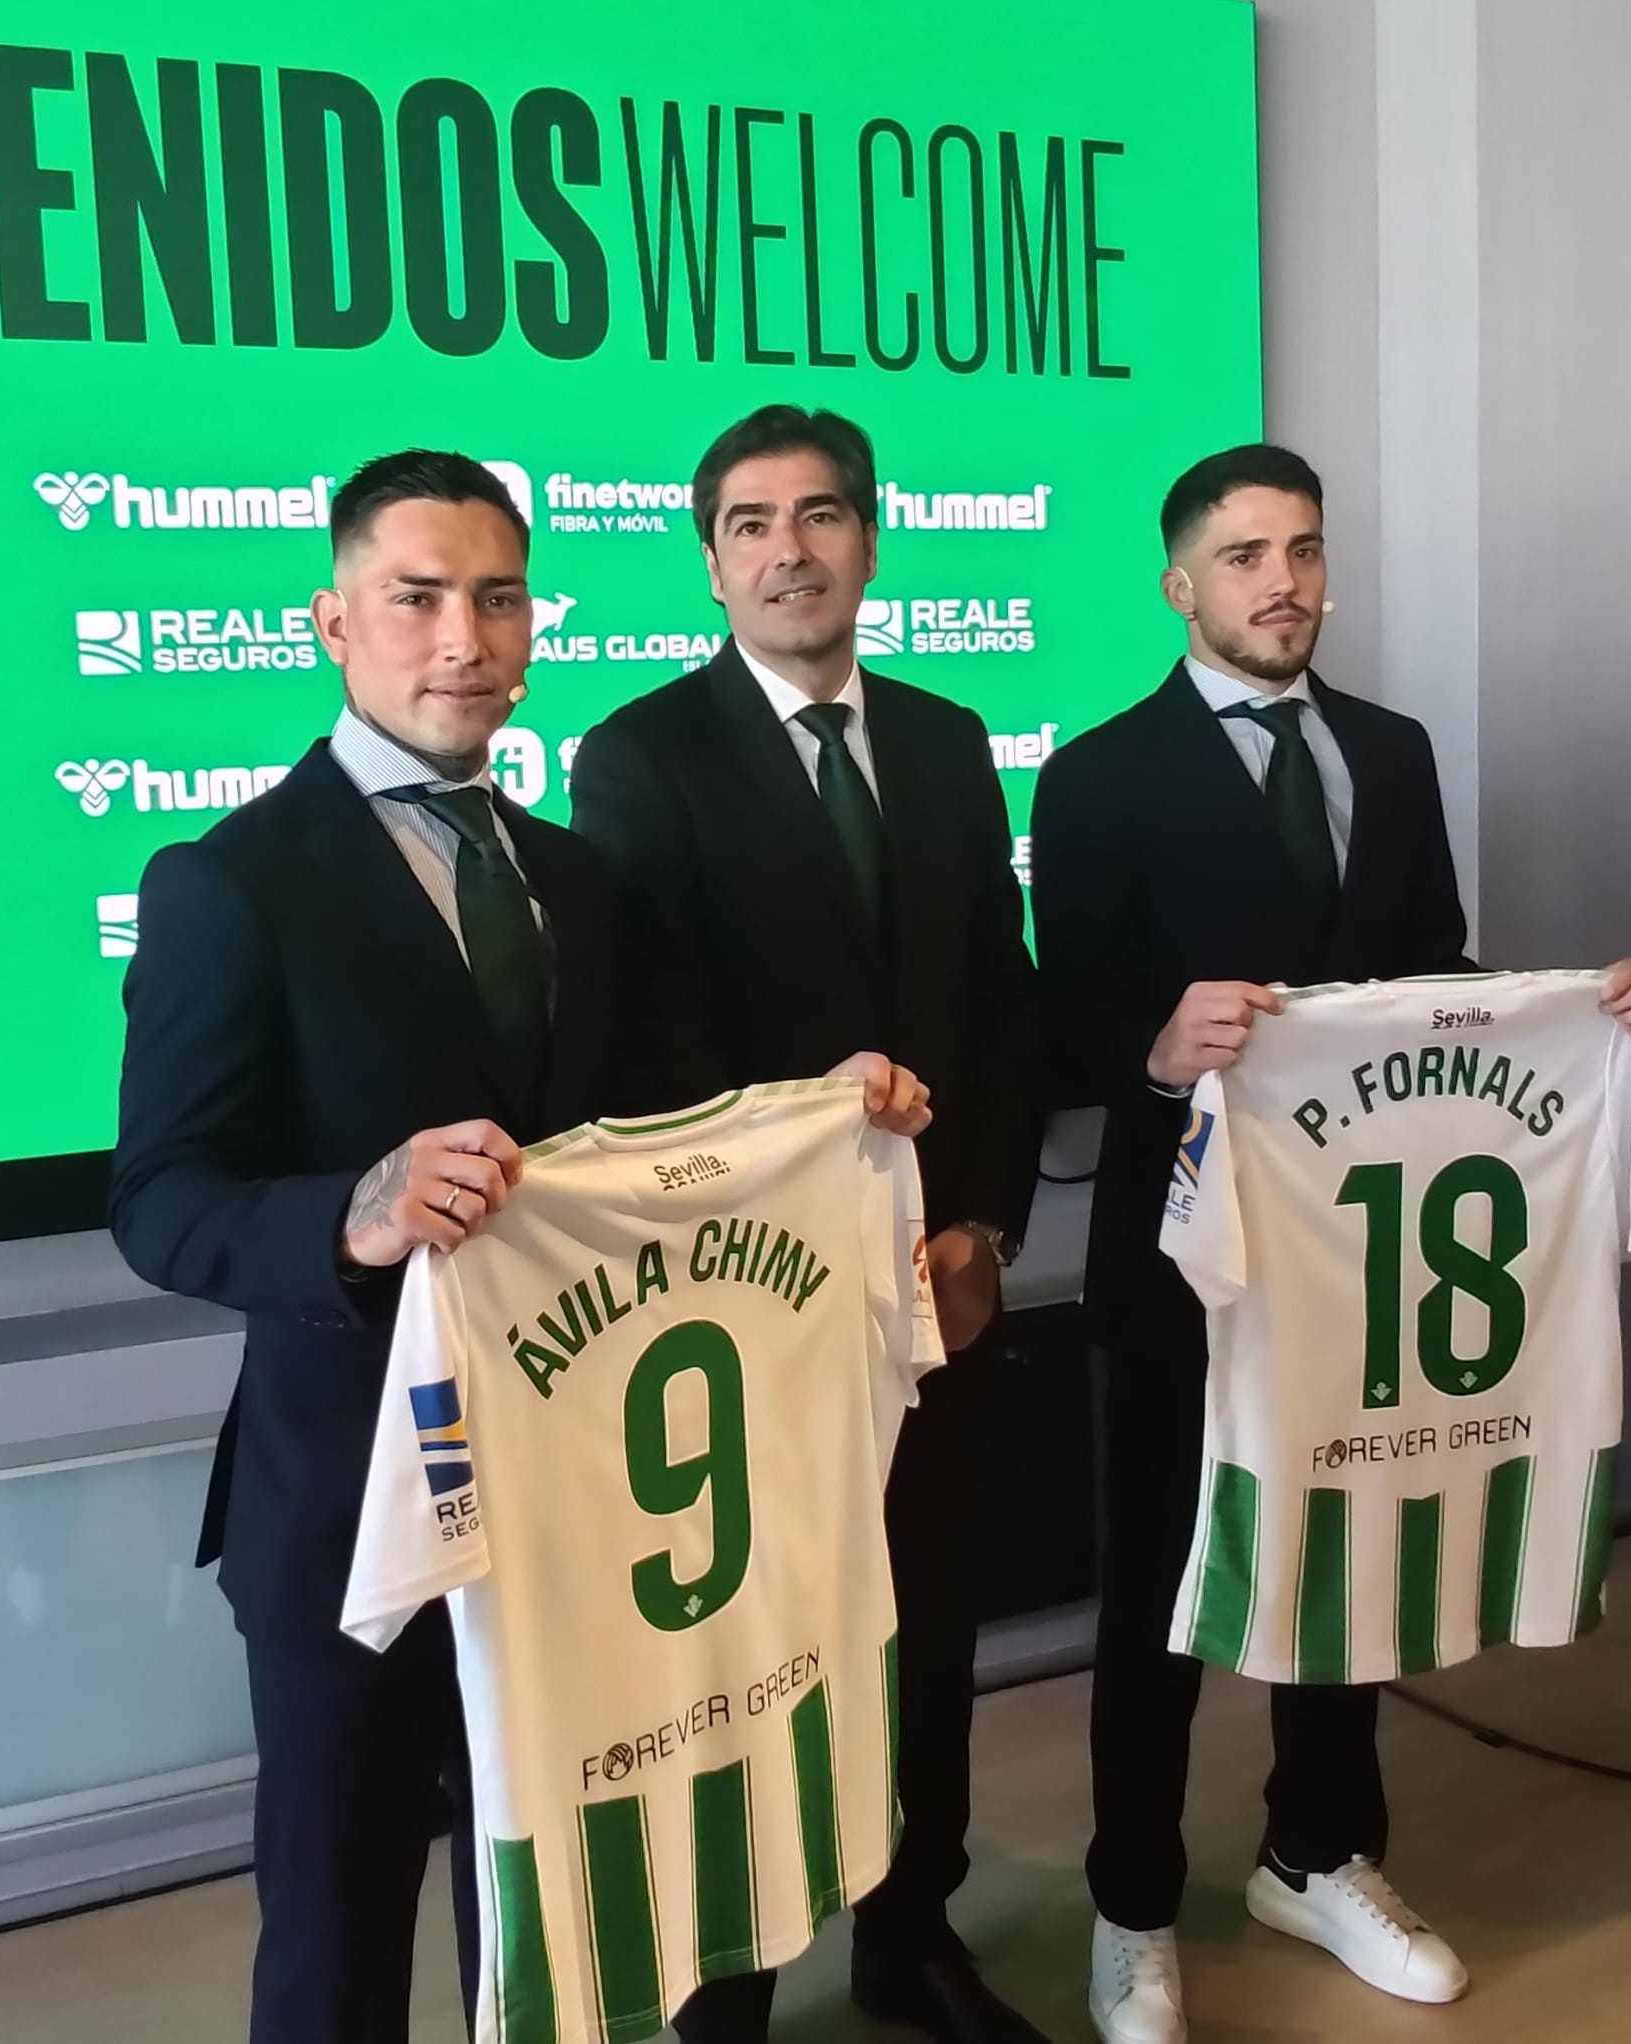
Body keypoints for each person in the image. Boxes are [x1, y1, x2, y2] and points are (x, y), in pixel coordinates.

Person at [108, 449, 929, 2044]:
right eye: (416, 599)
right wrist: (349, 1209)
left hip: (577, 1498)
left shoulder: (576, 879)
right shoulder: (229, 885)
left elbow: (666, 1150)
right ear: (333, 625)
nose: (461, 638)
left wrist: (808, 1118)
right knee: (340, 1923)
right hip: (350, 1507)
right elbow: (161, 1198)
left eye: (495, 598)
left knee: (553, 1901)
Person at [1029, 444, 1631, 2044]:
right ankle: (1132, 1905)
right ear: (1181, 583)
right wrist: (1158, 1051)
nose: (1285, 582)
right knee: (1162, 1595)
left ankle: (1318, 1853)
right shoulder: (1100, 772)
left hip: (1354, 1263)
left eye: (1305, 550)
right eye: (1245, 555)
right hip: (1190, 1261)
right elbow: (1058, 1027)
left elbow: (1432, 976)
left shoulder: (1391, 753)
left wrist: (1581, 1018)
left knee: (1348, 1560)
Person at [570, 405, 1045, 2044]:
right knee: (757, 1660)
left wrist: (981, 1224)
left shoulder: (949, 737)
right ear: (710, 559)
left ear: (870, 536)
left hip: (941, 1293)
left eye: (821, 514)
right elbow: (649, 1053)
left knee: (933, 1625)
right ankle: (736, 1988)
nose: (791, 549)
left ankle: (914, 1935)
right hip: (755, 1310)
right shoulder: (637, 757)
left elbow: (1002, 1005)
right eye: (752, 522)